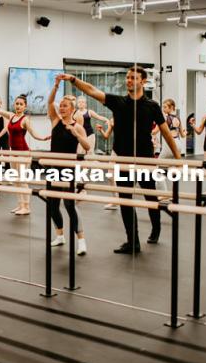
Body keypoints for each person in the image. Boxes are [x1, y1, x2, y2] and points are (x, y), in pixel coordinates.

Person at [58, 66, 181, 254]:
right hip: (123, 160)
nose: (129, 80)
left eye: (134, 78)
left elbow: (166, 133)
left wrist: (178, 159)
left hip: (145, 160)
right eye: (128, 77)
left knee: (150, 197)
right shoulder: (118, 102)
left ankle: (156, 228)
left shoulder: (152, 106)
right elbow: (92, 90)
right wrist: (74, 79)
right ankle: (133, 241)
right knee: (125, 200)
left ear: (143, 81)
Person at [0, 94, 49, 214]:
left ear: (25, 106)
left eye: (21, 104)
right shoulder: (11, 116)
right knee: (16, 180)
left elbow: (33, 133)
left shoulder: (25, 120)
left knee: (22, 181)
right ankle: (20, 205)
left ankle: (27, 207)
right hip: (13, 152)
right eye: (17, 104)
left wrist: (43, 138)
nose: (18, 106)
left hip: (23, 152)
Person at [48, 76, 90, 253]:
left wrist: (76, 133)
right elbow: (50, 102)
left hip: (68, 169)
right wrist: (56, 85)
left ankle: (81, 240)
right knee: (52, 204)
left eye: (65, 106)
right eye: (61, 106)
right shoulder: (56, 121)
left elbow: (87, 147)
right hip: (53, 168)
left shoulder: (77, 126)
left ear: (72, 109)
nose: (61, 108)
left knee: (69, 204)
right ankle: (60, 235)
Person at [153, 99, 186, 196]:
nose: (163, 109)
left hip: (170, 145)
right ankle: (168, 193)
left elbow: (155, 131)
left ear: (171, 108)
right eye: (162, 107)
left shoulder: (164, 118)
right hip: (178, 144)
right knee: (166, 168)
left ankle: (164, 195)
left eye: (165, 107)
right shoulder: (178, 118)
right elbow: (183, 135)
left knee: (158, 170)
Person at [95, 118, 118, 210]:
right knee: (110, 176)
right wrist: (101, 130)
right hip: (116, 150)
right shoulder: (113, 119)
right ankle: (115, 200)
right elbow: (106, 136)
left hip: (127, 151)